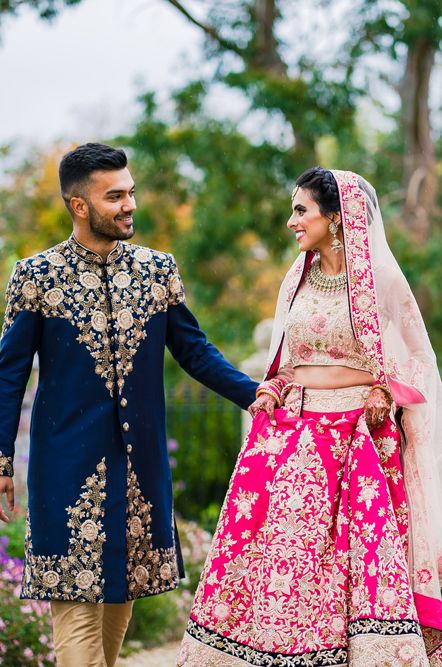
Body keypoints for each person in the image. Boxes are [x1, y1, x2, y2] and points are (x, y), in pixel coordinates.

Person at [0, 143, 258, 667]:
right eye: (114, 196)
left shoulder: (157, 271)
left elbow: (194, 350)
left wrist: (256, 394)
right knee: (76, 622)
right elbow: (8, 374)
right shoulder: (36, 276)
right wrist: (2, 459)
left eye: (130, 192)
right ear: (79, 205)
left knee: (117, 616)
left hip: (139, 475)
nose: (129, 205)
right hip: (67, 476)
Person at [178, 168, 442, 666]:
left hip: (356, 444)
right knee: (282, 574)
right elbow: (286, 361)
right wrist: (272, 389)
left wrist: (386, 390)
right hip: (291, 443)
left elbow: (418, 360)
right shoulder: (294, 279)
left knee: (350, 573)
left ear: (337, 217)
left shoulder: (381, 281)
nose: (290, 221)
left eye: (301, 210)